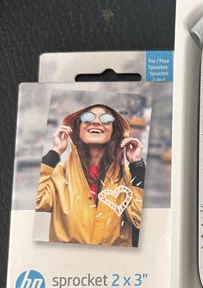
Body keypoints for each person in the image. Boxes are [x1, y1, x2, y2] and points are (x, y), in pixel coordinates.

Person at [36, 104, 145, 247]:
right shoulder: (60, 174)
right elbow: (36, 201)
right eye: (88, 118)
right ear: (77, 130)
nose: (96, 122)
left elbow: (139, 218)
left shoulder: (128, 176)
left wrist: (137, 166)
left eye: (106, 119)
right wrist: (55, 152)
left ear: (114, 131)